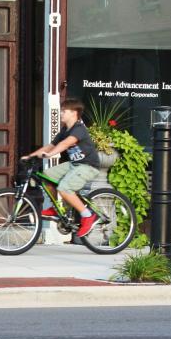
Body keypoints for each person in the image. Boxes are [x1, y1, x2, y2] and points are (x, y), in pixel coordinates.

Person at [22, 97, 101, 238]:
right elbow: (50, 146)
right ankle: (57, 209)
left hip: (88, 166)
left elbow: (65, 144)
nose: (61, 113)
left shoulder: (79, 129)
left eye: (64, 111)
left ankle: (88, 215)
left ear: (74, 113)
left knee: (64, 188)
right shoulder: (65, 129)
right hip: (74, 165)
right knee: (46, 176)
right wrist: (31, 156)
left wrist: (50, 155)